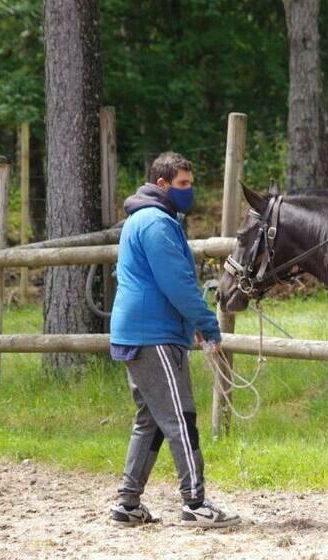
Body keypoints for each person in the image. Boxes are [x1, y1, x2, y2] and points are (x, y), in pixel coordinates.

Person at [109, 152, 240, 528]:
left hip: (139, 331)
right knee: (181, 417)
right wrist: (207, 324)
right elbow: (178, 283)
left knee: (149, 420)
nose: (190, 190)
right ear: (163, 184)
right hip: (154, 336)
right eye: (183, 184)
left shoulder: (144, 220)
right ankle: (195, 502)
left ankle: (128, 503)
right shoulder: (157, 223)